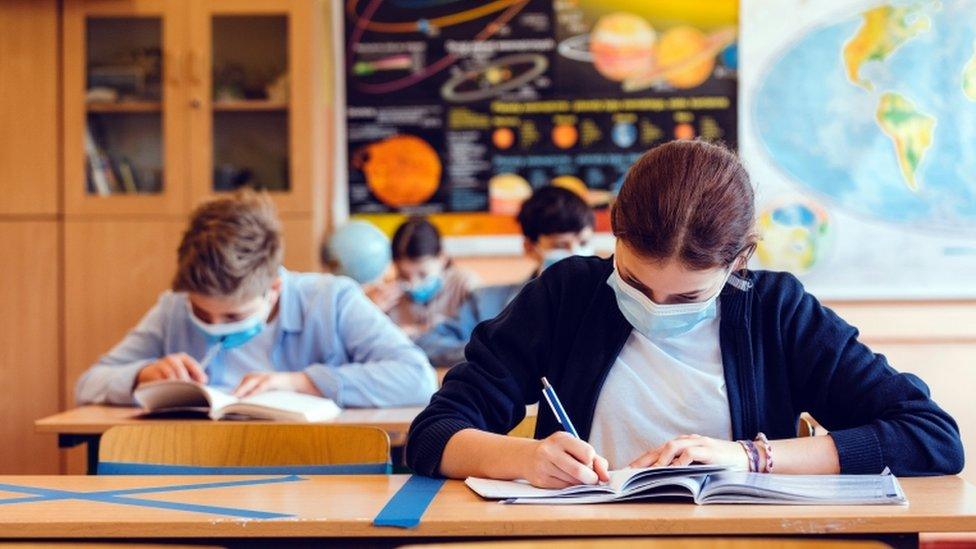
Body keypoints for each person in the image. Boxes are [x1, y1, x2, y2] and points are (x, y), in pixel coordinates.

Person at [406, 140, 963, 487]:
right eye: (633, 282)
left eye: (687, 298)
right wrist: (524, 458)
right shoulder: (566, 295)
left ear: (740, 260)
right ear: (614, 234)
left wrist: (750, 458)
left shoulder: (776, 310)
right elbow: (433, 435)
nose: (653, 307)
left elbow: (931, 437)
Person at [75, 190, 437, 408]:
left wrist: (300, 383)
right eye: (202, 313)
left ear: (274, 288)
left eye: (232, 318)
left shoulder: (332, 300)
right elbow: (89, 383)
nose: (213, 327)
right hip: (199, 474)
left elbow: (416, 378)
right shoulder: (173, 308)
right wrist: (141, 374)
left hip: (314, 475)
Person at [416, 186, 595, 367]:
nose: (575, 254)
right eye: (559, 245)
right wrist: (493, 352)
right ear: (530, 247)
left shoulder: (611, 298)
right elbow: (430, 344)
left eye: (583, 242)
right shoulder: (485, 301)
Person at [369, 216, 479, 338]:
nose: (413, 284)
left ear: (442, 258)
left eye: (423, 274)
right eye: (403, 275)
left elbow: (479, 332)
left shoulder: (464, 284)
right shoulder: (388, 297)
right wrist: (371, 312)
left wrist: (418, 330)